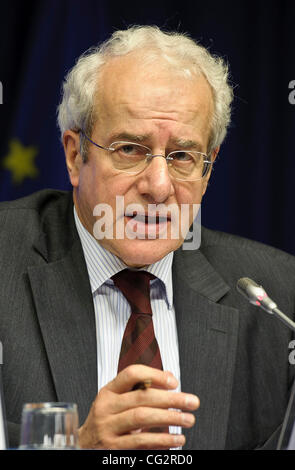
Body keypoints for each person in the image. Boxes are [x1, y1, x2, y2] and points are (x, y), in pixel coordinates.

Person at [1, 25, 295, 450]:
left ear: (207, 171)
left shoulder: (279, 299)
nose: (158, 186)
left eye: (182, 157)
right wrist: (75, 446)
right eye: (130, 149)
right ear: (74, 155)